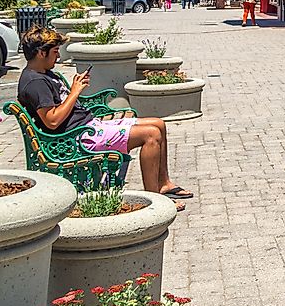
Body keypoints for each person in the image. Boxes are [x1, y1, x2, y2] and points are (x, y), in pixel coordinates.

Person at [16, 26, 192, 206]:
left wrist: (76, 91)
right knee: (151, 135)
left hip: (88, 126)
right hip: (77, 139)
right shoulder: (35, 83)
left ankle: (164, 184)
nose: (58, 57)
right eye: (54, 52)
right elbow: (52, 121)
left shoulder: (44, 74)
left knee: (158, 124)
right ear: (40, 53)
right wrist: (75, 92)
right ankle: (156, 200)